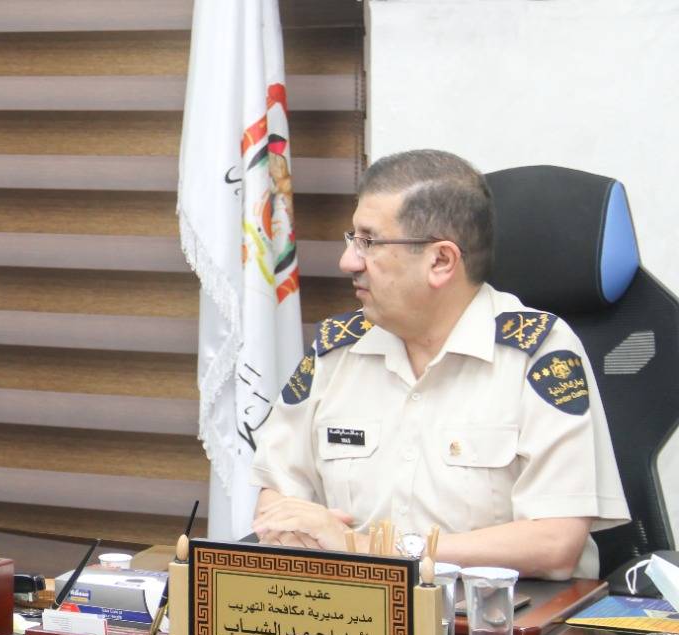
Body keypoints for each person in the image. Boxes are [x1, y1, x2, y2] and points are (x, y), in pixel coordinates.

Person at [250, 149, 628, 582]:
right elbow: (277, 500)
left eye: (369, 242)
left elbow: (555, 545)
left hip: (499, 615)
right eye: (352, 238)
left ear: (441, 261)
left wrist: (366, 548)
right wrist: (291, 529)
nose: (348, 261)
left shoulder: (537, 354)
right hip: (354, 610)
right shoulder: (336, 351)